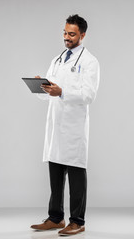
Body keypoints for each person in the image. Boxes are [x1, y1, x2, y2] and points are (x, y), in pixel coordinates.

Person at [30, 14, 100, 236]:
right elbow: (51, 93)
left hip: (74, 129)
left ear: (82, 35)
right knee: (55, 174)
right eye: (65, 33)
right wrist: (42, 87)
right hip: (55, 127)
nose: (67, 38)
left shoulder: (90, 62)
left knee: (76, 176)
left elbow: (88, 95)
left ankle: (77, 221)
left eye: (71, 34)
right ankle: (55, 218)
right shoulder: (58, 59)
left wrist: (62, 92)